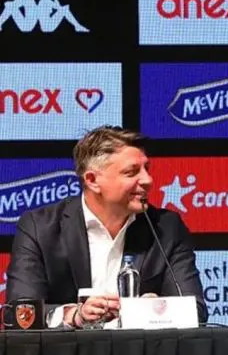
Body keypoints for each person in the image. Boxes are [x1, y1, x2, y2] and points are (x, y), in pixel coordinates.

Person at [7, 126, 207, 328]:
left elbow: (196, 311)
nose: (148, 180)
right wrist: (73, 315)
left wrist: (154, 309)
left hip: (140, 348)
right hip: (67, 348)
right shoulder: (39, 228)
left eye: (147, 169)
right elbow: (20, 313)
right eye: (131, 172)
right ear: (93, 180)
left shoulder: (166, 228)